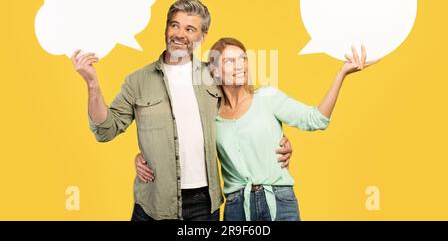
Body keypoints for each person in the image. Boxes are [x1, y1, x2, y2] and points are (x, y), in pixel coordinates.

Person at [71, 0, 292, 221]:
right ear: (166, 28)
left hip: (203, 206)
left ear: (202, 36)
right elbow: (105, 131)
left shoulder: (213, 76)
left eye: (190, 29)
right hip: (153, 204)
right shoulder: (137, 81)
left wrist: (276, 139)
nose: (179, 34)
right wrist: (92, 84)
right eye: (174, 25)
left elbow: (247, 108)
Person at [136, 37, 378, 221]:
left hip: (279, 201)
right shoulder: (210, 115)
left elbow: (316, 119)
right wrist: (142, 157)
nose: (240, 65)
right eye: (231, 61)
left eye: (243, 59)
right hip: (236, 207)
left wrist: (341, 74)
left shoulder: (267, 98)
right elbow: (180, 142)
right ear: (215, 71)